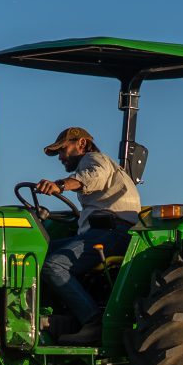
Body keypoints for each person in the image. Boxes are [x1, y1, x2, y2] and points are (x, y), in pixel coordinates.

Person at [36, 127, 141, 345]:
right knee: (37, 253)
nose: (61, 157)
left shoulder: (95, 159)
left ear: (81, 144)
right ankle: (52, 318)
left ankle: (93, 322)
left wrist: (60, 185)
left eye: (63, 150)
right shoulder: (96, 165)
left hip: (112, 232)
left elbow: (94, 177)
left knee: (53, 265)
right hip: (100, 230)